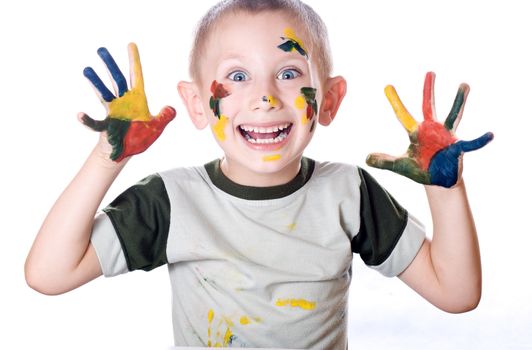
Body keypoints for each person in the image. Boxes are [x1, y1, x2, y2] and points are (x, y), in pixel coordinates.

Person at [25, 0, 493, 348]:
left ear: (328, 100)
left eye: (289, 74)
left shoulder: (348, 193)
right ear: (196, 104)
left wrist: (446, 189)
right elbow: (48, 274)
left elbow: (456, 292)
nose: (266, 97)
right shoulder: (173, 200)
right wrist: (108, 157)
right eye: (238, 76)